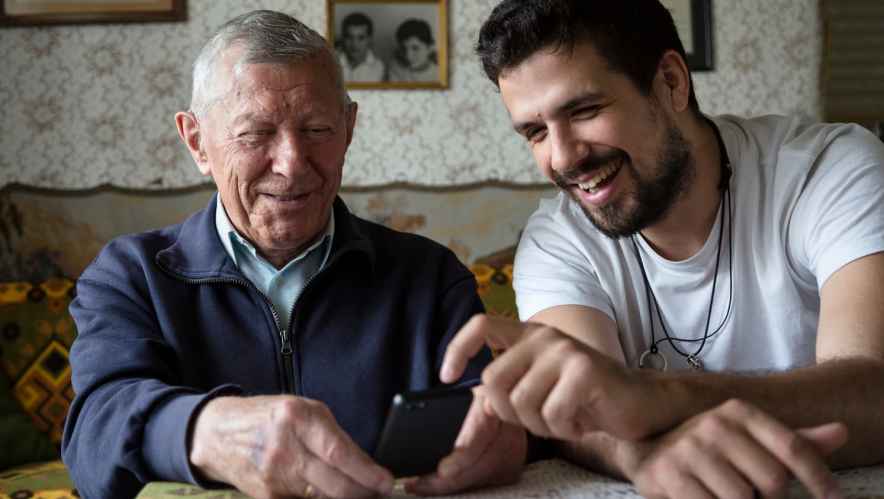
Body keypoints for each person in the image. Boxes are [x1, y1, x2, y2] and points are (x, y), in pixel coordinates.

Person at [61, 10, 525, 498]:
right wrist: (205, 429)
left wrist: (507, 439)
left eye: (317, 130)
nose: (291, 163)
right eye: (255, 133)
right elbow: (95, 433)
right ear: (197, 142)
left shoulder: (430, 277)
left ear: (348, 128)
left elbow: (489, 414)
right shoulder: (131, 275)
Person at [438, 1, 884, 498]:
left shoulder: (832, 170)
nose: (563, 158)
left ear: (671, 81)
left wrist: (657, 398)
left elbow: (875, 392)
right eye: (535, 132)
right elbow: (579, 412)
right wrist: (647, 454)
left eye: (584, 110)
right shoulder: (556, 239)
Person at [337, 12, 386, 82]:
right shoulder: (330, 63)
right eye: (349, 37)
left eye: (361, 38)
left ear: (370, 40)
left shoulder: (380, 68)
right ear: (343, 38)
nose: (354, 44)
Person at [388, 18, 439, 83]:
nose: (408, 56)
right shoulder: (395, 67)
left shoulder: (438, 75)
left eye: (415, 48)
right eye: (403, 48)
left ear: (430, 47)